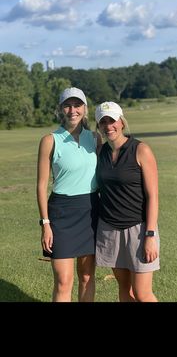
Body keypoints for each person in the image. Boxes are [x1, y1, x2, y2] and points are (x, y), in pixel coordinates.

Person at [37, 87, 101, 302]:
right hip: (61, 213)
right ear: (61, 109)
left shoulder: (95, 137)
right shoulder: (50, 140)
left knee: (86, 276)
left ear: (85, 108)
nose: (73, 110)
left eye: (77, 105)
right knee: (64, 280)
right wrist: (45, 223)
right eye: (67, 105)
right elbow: (41, 185)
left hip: (90, 210)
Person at [95, 101, 160, 302]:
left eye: (112, 120)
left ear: (121, 122)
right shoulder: (101, 152)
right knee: (124, 289)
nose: (108, 126)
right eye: (103, 122)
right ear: (99, 126)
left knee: (142, 293)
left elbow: (153, 196)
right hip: (110, 229)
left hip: (138, 230)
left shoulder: (141, 150)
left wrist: (150, 235)